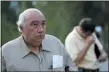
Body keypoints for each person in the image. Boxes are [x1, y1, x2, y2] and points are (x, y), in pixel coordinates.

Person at [1, 8, 76, 71]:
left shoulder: (56, 44)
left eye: (43, 24)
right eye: (34, 24)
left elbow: (72, 68)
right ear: (21, 28)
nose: (41, 30)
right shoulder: (6, 52)